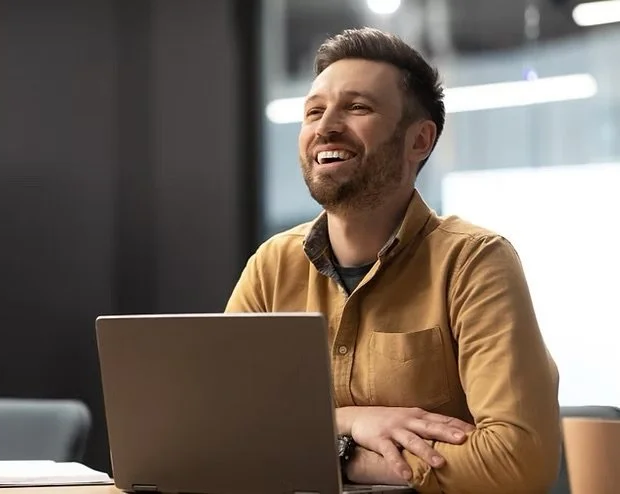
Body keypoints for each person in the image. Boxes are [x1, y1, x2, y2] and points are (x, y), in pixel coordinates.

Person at [225, 27, 561, 494]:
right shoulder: (271, 266)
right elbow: (220, 433)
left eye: (357, 107)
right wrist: (347, 423)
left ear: (419, 141)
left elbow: (517, 460)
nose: (325, 126)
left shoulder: (475, 263)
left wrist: (344, 458)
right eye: (314, 111)